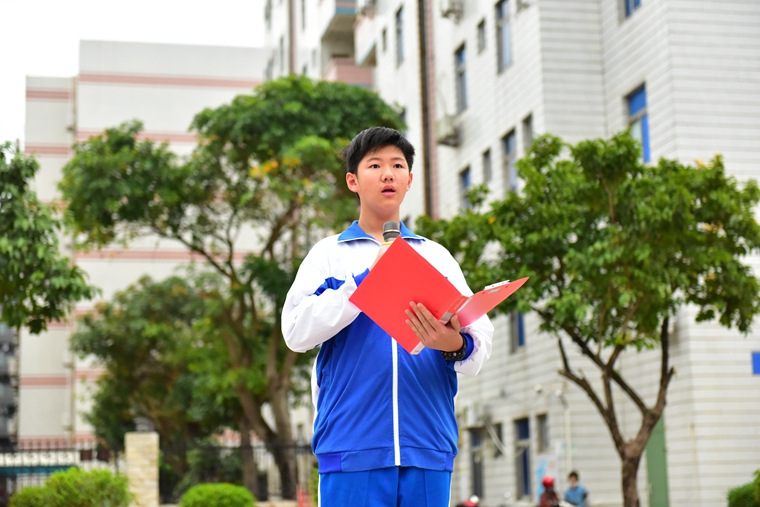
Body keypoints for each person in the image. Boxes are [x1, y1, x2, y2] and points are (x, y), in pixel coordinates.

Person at [281, 126, 494, 507]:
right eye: (374, 165)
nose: (387, 174)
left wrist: (453, 344)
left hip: (427, 447)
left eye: (397, 165)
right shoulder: (328, 255)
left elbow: (479, 342)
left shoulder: (436, 256)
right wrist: (365, 282)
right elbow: (296, 331)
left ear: (410, 180)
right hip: (352, 448)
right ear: (352, 180)